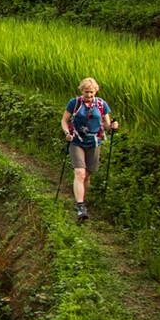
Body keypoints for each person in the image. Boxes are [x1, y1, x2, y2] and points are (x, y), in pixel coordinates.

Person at [61, 77, 117, 222]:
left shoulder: (101, 104)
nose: (89, 95)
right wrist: (67, 133)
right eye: (86, 92)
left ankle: (83, 202)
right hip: (76, 141)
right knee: (79, 172)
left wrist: (113, 126)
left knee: (87, 175)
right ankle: (80, 206)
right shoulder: (74, 103)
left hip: (94, 142)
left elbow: (106, 124)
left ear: (95, 91)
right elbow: (64, 120)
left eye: (92, 92)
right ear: (81, 91)